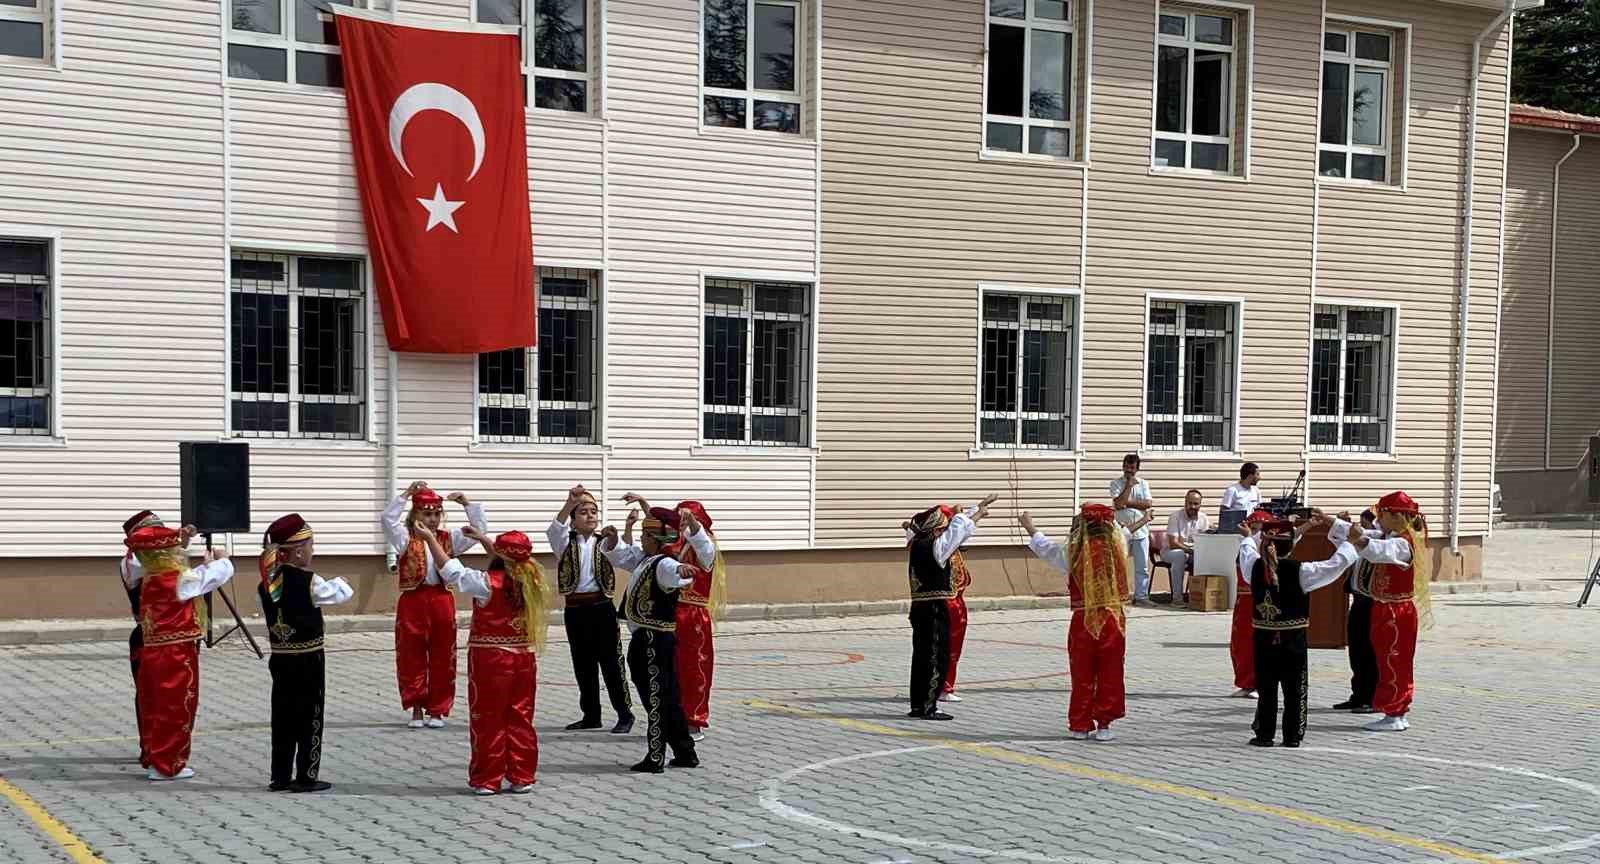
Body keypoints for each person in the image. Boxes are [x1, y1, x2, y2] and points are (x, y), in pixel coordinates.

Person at [427, 526, 549, 795]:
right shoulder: (532, 580)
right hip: (523, 658)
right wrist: (484, 540)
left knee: (488, 717)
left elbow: (450, 570)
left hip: (490, 659)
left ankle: (487, 778)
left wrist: (430, 539)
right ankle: (522, 775)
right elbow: (508, 561)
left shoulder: (485, 582)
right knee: (520, 715)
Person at [601, 506, 716, 773]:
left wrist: (682, 572)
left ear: (655, 538)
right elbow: (621, 556)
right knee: (669, 698)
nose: (641, 540)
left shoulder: (664, 563)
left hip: (653, 641)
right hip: (648, 638)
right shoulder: (646, 560)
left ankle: (655, 756)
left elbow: (681, 569)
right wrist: (613, 538)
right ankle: (685, 752)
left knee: (656, 698)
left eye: (644, 535)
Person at [124, 525, 235, 781]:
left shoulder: (150, 576)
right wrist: (223, 560)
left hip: (154, 651)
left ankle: (155, 757)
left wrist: (203, 564)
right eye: (173, 548)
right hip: (174, 654)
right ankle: (168, 764)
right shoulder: (173, 579)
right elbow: (209, 579)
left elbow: (193, 577)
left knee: (154, 705)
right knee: (176, 707)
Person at [1239, 514, 1360, 748]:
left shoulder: (1252, 566)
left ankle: (1264, 734)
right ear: (1292, 545)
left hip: (1263, 639)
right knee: (1295, 687)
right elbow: (1333, 566)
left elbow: (1246, 550)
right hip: (1292, 639)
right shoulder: (1300, 571)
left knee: (1266, 687)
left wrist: (1248, 537)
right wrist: (1350, 544)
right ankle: (1292, 736)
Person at [256, 514, 355, 792]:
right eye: (311, 545)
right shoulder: (308, 581)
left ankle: (280, 775)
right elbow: (336, 594)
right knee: (310, 715)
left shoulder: (266, 584)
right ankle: (306, 775)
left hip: (280, 659)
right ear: (299, 551)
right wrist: (343, 581)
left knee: (283, 715)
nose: (313, 551)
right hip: (309, 659)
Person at [381, 481, 488, 729]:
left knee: (443, 655)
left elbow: (480, 529)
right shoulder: (404, 537)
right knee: (411, 654)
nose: (432, 519)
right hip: (413, 600)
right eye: (426, 514)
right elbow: (387, 520)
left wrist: (467, 504)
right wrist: (407, 494)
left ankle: (437, 710)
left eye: (436, 514)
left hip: (441, 599)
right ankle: (416, 707)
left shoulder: (449, 538)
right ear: (415, 514)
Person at [1021, 504, 1131, 742]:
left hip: (1084, 620)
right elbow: (1125, 533)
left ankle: (1080, 725)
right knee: (1110, 672)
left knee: (1082, 673)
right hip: (1112, 619)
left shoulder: (1074, 551)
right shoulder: (1118, 547)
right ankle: (1104, 725)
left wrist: (1031, 528)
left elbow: (1048, 550)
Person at [548, 485, 634, 734]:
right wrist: (568, 503)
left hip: (601, 608)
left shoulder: (605, 541)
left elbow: (625, 554)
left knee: (611, 662)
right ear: (573, 520)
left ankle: (624, 714)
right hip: (575, 609)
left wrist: (620, 535)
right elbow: (555, 529)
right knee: (582, 663)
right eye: (583, 512)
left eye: (593, 511)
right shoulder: (565, 543)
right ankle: (591, 714)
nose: (590, 515)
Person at [904, 495, 995, 721]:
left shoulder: (917, 542)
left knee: (922, 657)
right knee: (936, 656)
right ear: (936, 529)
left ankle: (920, 704)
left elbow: (958, 532)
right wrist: (969, 514)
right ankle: (928, 706)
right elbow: (956, 532)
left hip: (920, 608)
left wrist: (977, 513)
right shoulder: (936, 548)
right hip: (936, 607)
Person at [1347, 492, 1432, 732]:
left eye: (1382, 514)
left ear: (1396, 517)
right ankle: (1391, 709)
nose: (1378, 520)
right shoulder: (1392, 535)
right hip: (1386, 608)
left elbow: (1377, 550)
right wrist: (1332, 523)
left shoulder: (1403, 542)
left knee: (1395, 661)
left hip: (1397, 612)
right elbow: (1370, 538)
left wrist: (1358, 540)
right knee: (1385, 660)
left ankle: (1396, 712)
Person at [119, 510, 194, 771]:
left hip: (161, 635)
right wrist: (178, 543)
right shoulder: (133, 563)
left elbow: (166, 558)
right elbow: (162, 562)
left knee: (157, 697)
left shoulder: (150, 560)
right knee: (152, 697)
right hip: (149, 637)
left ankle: (156, 748)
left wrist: (180, 542)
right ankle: (152, 750)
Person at [661, 497, 726, 740]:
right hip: (670, 612)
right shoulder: (674, 544)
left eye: (689, 520)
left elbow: (704, 549)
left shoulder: (705, 545)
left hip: (693, 615)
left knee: (695, 668)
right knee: (670, 667)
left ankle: (694, 720)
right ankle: (672, 716)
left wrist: (694, 526)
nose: (683, 524)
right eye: (681, 519)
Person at [1333, 509, 1381, 713]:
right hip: (1358, 601)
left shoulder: (1378, 542)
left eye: (1364, 524)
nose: (1361, 527)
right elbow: (1338, 540)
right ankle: (1358, 694)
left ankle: (1371, 697)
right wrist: (1338, 523)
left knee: (1368, 652)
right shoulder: (1359, 544)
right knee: (1356, 650)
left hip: (1372, 603)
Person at [1229, 509, 1275, 699]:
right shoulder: (1246, 547)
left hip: (1261, 603)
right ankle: (1246, 683)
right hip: (1243, 602)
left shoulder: (1266, 553)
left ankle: (1259, 684)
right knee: (1240, 644)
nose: (1256, 533)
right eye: (1252, 528)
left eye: (1260, 530)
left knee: (1259, 644)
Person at [1109, 454, 1155, 605]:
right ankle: (1118, 595)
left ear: (1137, 469)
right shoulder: (1115, 483)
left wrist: (1127, 502)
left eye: (1132, 468)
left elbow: (1147, 504)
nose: (1129, 470)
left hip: (1141, 532)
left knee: (1142, 566)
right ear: (1123, 466)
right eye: (1127, 467)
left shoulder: (1143, 484)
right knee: (1119, 564)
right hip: (1122, 531)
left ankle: (1141, 596)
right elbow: (1117, 504)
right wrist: (1128, 486)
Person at [1161, 490, 1210, 605]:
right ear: (1185, 502)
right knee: (1180, 555)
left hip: (1191, 552)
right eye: (1190, 503)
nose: (1193, 506)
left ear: (1200, 504)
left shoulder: (1203, 518)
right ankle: (1177, 599)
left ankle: (1198, 598)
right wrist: (1190, 550)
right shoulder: (1175, 517)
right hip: (1170, 552)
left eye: (1196, 504)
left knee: (1207, 557)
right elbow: (1173, 543)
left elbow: (1206, 540)